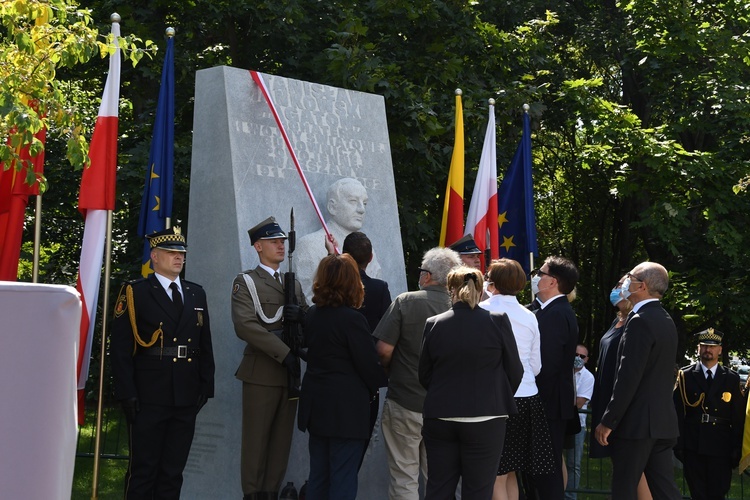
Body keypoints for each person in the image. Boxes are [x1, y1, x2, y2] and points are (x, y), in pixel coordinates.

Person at [110, 226, 215, 499]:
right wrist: (127, 392)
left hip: (185, 392)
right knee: (144, 470)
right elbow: (121, 349)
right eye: (171, 253)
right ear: (154, 256)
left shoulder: (195, 294)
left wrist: (206, 384)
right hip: (149, 394)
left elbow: (204, 344)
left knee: (172, 471)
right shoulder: (136, 292)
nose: (178, 258)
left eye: (181, 253)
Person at [420, 265, 523, 500]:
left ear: (450, 290)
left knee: (438, 488)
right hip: (486, 418)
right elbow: (515, 370)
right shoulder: (497, 321)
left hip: (440, 416)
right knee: (478, 491)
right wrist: (494, 396)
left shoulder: (434, 323)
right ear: (481, 288)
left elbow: (424, 374)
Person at [373, 246, 462, 500]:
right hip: (446, 408)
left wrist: (393, 371)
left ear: (427, 275)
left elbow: (383, 349)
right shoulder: (463, 309)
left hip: (405, 399)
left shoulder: (406, 302)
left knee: (404, 477)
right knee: (440, 479)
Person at [298, 254, 388, 500]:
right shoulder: (352, 319)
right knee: (343, 477)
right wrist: (386, 377)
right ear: (351, 282)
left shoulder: (314, 314)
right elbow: (368, 365)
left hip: (317, 407)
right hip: (346, 411)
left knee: (318, 476)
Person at [231, 216, 309, 500]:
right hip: (261, 373)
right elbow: (245, 325)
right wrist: (285, 354)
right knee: (256, 444)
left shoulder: (294, 284)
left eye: (282, 242)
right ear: (258, 247)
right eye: (273, 241)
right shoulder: (247, 282)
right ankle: (251, 494)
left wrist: (302, 318)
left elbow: (305, 323)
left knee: (280, 446)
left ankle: (271, 493)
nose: (280, 245)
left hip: (288, 376)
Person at [594, 262, 681, 500]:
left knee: (624, 487)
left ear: (641, 286)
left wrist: (609, 420)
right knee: (665, 489)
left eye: (629, 277)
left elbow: (628, 376)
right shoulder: (665, 318)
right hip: (661, 423)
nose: (624, 282)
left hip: (637, 425)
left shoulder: (639, 320)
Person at [479, 259, 555, 500]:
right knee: (511, 471)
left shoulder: (480, 311)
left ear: (492, 281)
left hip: (493, 400)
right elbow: (536, 366)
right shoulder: (529, 316)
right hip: (526, 398)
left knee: (494, 473)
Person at [589, 277, 653, 499]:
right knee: (624, 467)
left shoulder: (635, 322)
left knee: (634, 470)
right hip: (607, 397)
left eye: (621, 286)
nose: (617, 290)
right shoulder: (616, 321)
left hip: (623, 406)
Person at [527, 256, 579, 499]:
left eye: (541, 272)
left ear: (553, 282)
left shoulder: (556, 314)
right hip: (547, 403)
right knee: (539, 472)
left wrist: (531, 401)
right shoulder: (547, 311)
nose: (536, 276)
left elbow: (547, 365)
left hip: (547, 405)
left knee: (546, 473)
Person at [673, 328, 745, 500]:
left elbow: (738, 417)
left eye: (712, 347)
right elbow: (677, 413)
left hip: (721, 446)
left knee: (718, 492)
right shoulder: (686, 376)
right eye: (704, 346)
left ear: (719, 350)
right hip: (693, 444)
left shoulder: (731, 379)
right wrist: (679, 445)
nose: (708, 350)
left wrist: (736, 447)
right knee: (698, 492)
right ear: (698, 349)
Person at [296, 177, 382, 302]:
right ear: (332, 207)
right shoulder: (308, 245)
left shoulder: (368, 249)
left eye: (364, 203)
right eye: (353, 201)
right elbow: (309, 299)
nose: (361, 209)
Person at [342, 231, 392, 333]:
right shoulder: (379, 288)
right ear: (370, 258)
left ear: (344, 255)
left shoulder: (336, 286)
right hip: (371, 346)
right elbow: (388, 325)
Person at [564, 345, 594, 500]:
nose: (578, 358)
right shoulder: (562, 372)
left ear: (586, 359)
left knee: (573, 463)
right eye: (576, 354)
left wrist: (560, 401)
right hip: (560, 422)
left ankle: (570, 497)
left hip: (577, 426)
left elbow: (580, 402)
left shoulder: (588, 377)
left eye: (582, 356)